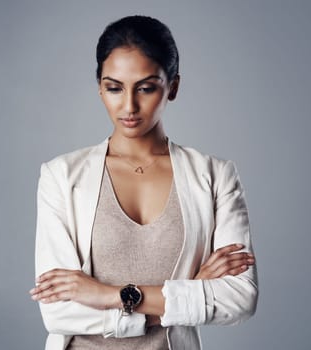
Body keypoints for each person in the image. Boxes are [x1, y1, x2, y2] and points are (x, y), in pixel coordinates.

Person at [29, 15, 258, 350]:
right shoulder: (61, 176)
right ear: (99, 87)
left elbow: (240, 298)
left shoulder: (215, 175)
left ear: (173, 87)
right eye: (114, 88)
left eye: (146, 88)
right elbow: (59, 311)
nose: (129, 106)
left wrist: (109, 296)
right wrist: (187, 294)